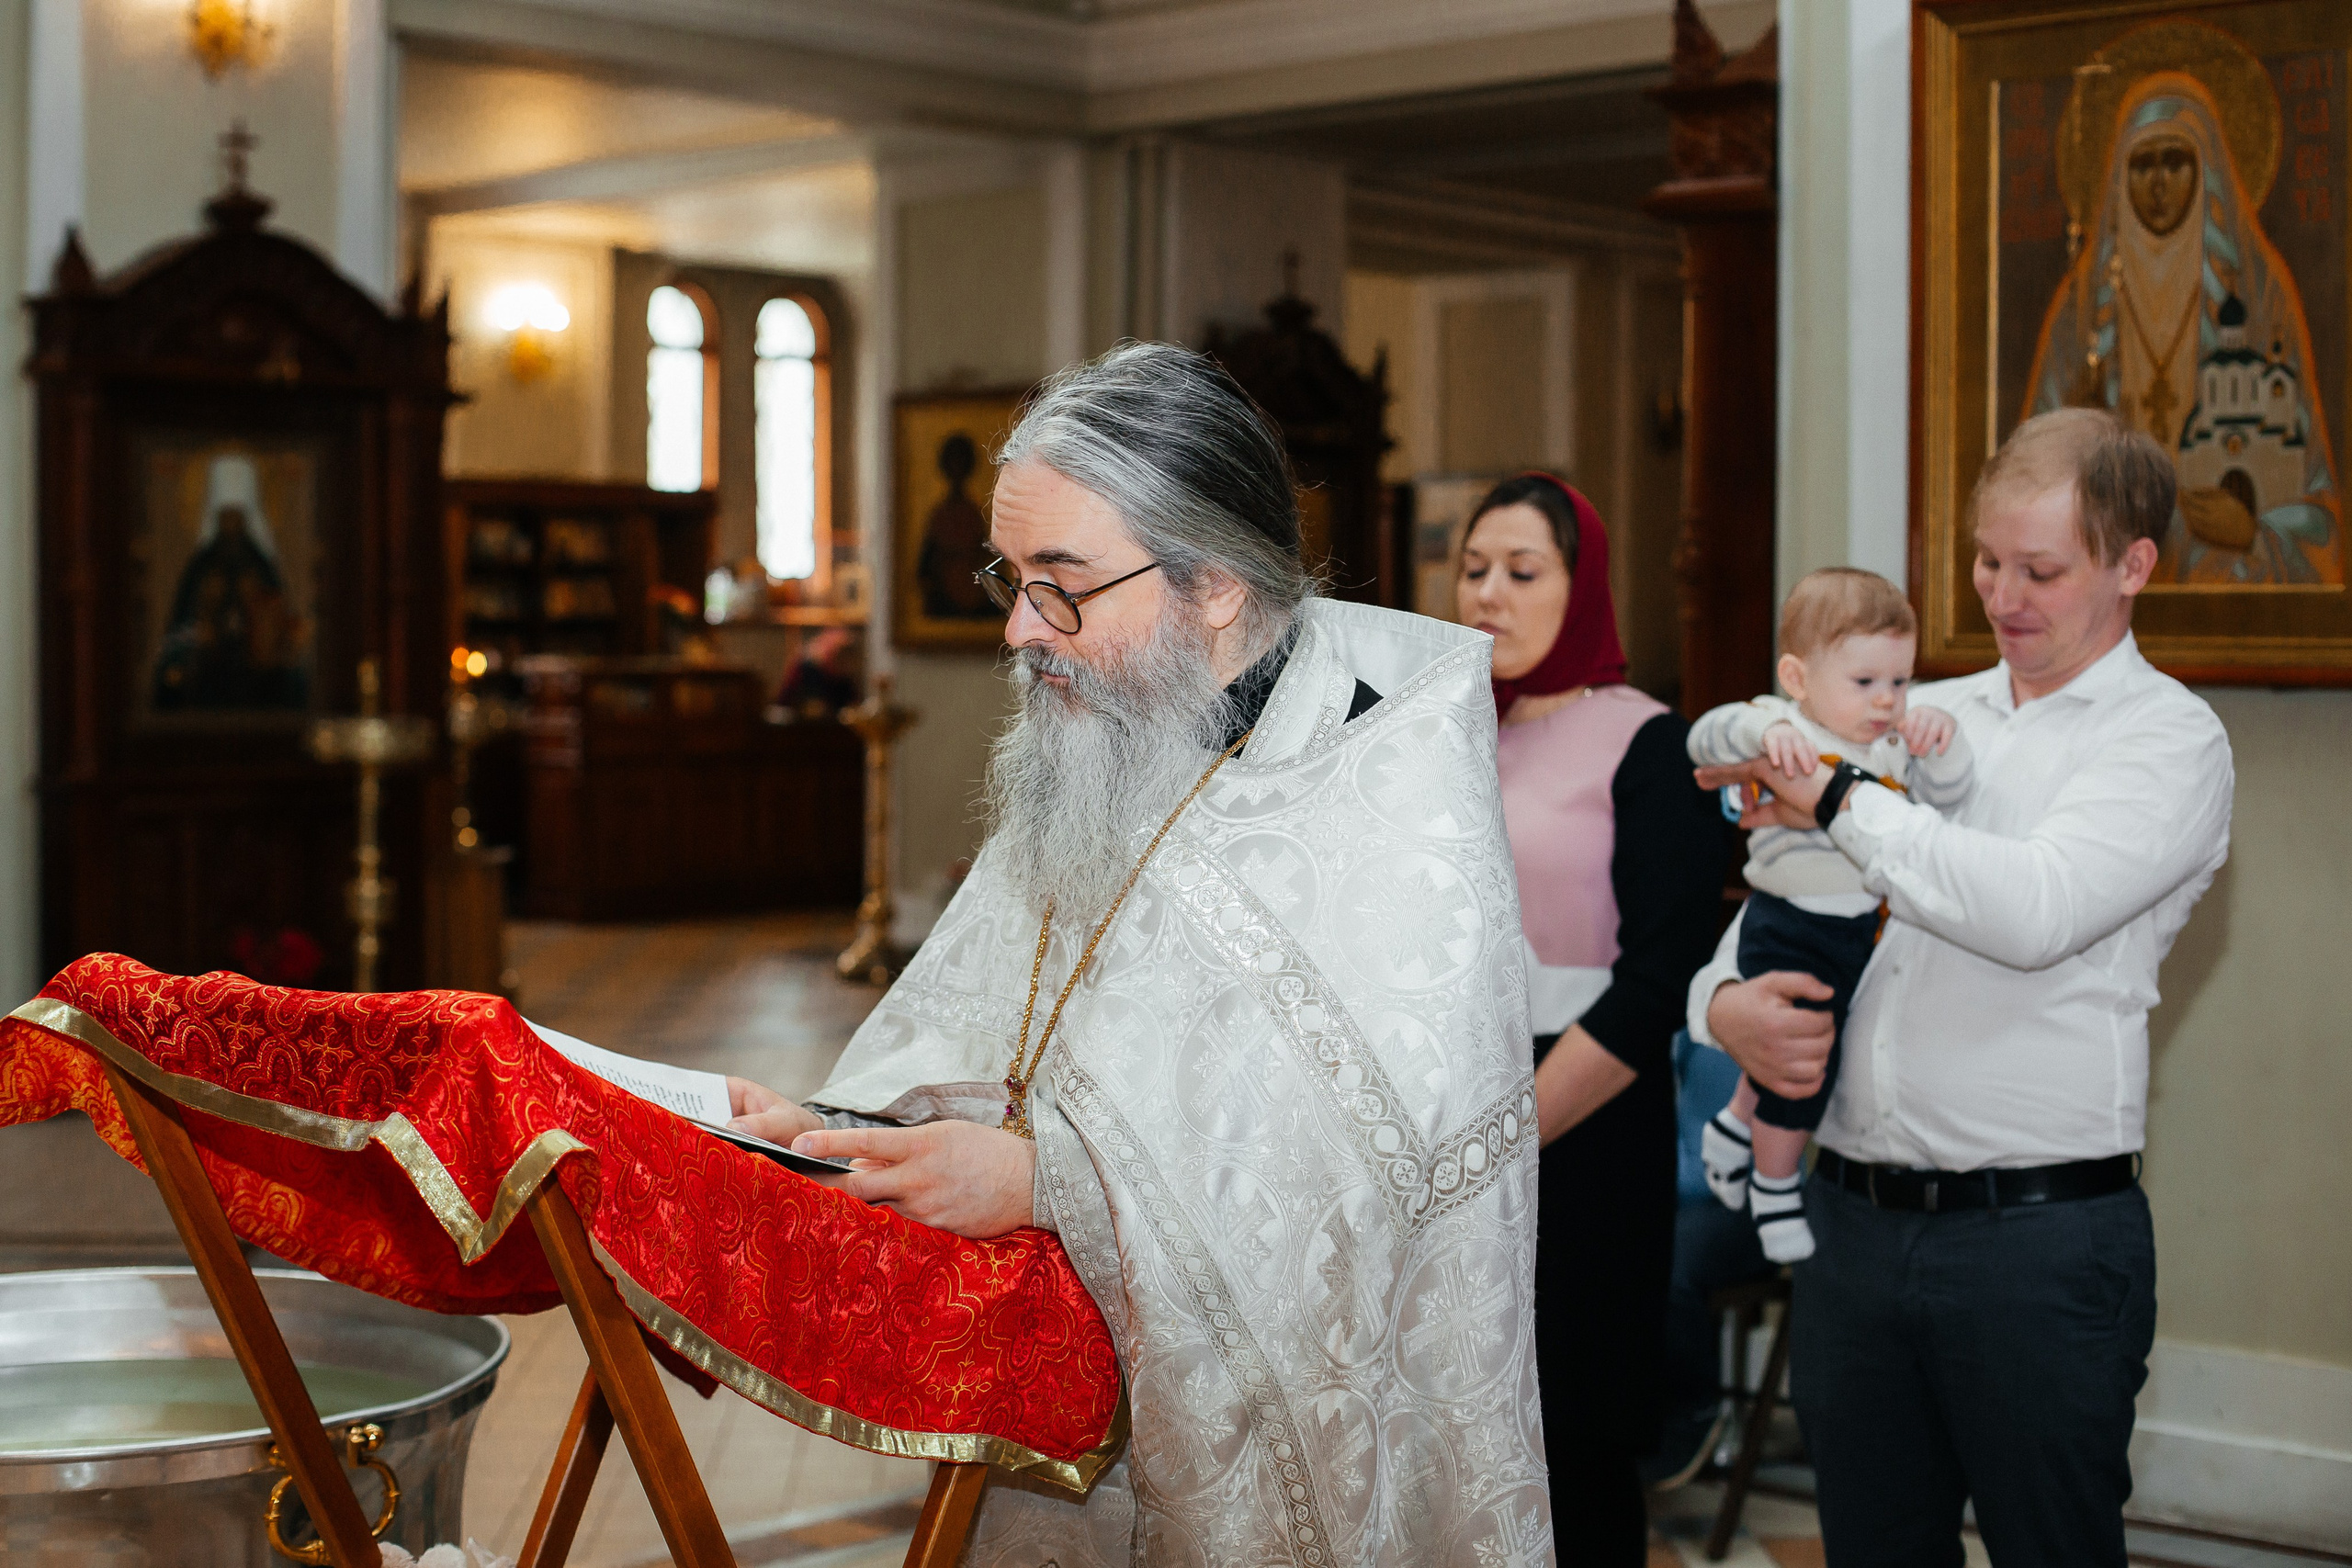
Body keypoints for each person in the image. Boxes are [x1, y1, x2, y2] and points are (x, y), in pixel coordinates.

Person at [730, 344, 1553, 1566]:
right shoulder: (1105, 734)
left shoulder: (1386, 793)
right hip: (1055, 1414)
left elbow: (1358, 1181)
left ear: (1213, 585)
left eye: (1060, 585)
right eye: (1011, 578)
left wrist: (1047, 1187)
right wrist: (836, 1133)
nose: (1021, 629)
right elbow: (987, 1019)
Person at [1690, 408, 2233, 1568]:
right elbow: (1792, 898)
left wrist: (1838, 795)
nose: (2001, 595)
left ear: (2132, 566)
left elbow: (2030, 913)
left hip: (2035, 1243)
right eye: (1987, 562)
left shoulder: (2167, 742)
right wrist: (1719, 1007)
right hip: (1848, 1225)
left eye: (2040, 569)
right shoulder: (1920, 714)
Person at [1460, 473, 1728, 1562]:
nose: (1489, 593)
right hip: (1442, 1111)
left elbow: (1661, 975)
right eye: (1473, 569)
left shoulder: (1650, 743)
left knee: (1572, 1443)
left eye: (1522, 572)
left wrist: (1507, 1134)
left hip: (1585, 1121)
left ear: (1584, 588)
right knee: (1450, 1434)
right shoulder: (1437, 734)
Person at [1686, 569, 1973, 1262]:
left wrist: (1944, 742)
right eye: (1865, 681)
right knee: (1804, 1064)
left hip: (1858, 930)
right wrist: (1763, 728)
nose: (1887, 700)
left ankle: (1733, 1127)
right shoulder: (1788, 726)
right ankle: (1776, 1186)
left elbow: (1949, 799)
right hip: (1790, 921)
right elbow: (1704, 738)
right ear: (1798, 677)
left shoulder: (1892, 743)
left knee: (1804, 1044)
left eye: (1900, 681)